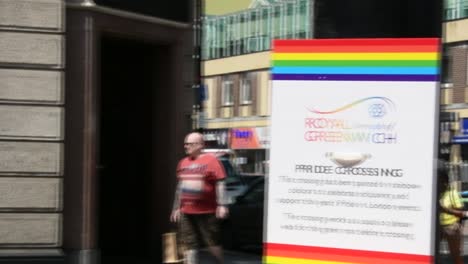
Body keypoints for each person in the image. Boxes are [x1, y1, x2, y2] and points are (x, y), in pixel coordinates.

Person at [170, 132, 229, 264]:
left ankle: (219, 262)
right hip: (186, 212)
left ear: (200, 145)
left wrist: (222, 204)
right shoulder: (182, 162)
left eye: (190, 144)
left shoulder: (211, 160)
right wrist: (176, 208)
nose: (186, 146)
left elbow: (220, 182)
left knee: (212, 242)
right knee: (188, 242)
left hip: (207, 211)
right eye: (185, 144)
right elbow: (180, 187)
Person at [439, 166, 465, 264]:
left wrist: (444, 209)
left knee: (455, 255)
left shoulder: (452, 193)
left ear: (446, 182)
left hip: (451, 227)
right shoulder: (436, 193)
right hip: (438, 228)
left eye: (442, 181)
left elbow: (461, 213)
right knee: (433, 254)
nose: (440, 184)